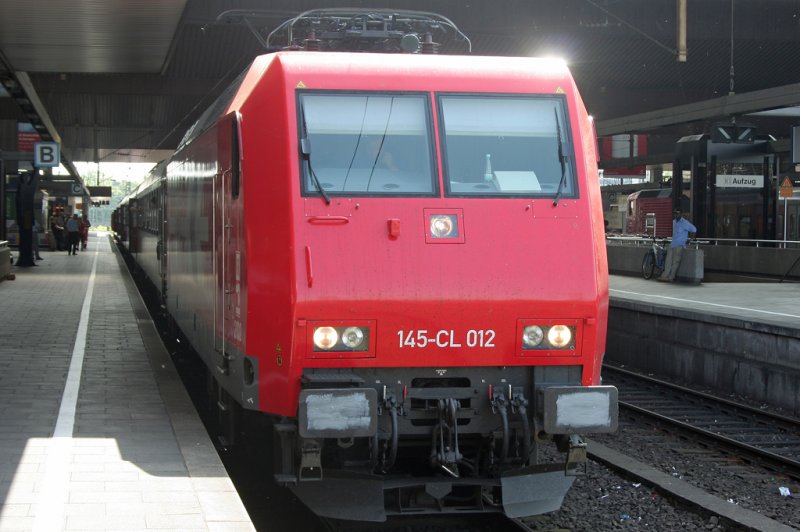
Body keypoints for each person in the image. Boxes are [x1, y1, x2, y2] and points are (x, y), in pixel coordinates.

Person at [658, 209, 697, 282]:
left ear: (681, 214)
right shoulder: (674, 222)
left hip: (679, 245)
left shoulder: (685, 222)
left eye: (677, 213)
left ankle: (671, 277)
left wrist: (690, 239)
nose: (675, 215)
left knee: (675, 262)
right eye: (674, 213)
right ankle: (665, 275)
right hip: (672, 244)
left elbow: (694, 229)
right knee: (668, 261)